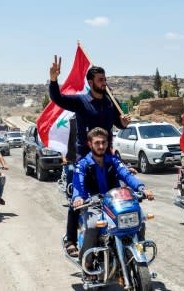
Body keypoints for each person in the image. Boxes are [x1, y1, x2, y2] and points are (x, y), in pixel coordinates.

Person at [48, 55, 132, 257]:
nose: (105, 83)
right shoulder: (81, 102)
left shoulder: (111, 102)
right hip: (85, 161)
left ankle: (115, 238)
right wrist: (53, 80)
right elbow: (57, 99)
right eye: (101, 80)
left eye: (105, 79)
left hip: (108, 160)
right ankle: (71, 240)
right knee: (79, 201)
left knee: (116, 199)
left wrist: (124, 123)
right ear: (91, 82)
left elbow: (118, 124)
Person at [72, 127, 154, 276]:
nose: (101, 146)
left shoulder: (114, 160)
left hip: (115, 203)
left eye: (104, 142)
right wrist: (78, 198)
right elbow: (78, 184)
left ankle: (137, 250)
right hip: (93, 205)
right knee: (92, 226)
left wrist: (142, 188)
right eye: (97, 143)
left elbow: (127, 175)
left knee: (139, 220)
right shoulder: (83, 165)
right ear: (90, 144)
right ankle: (88, 264)